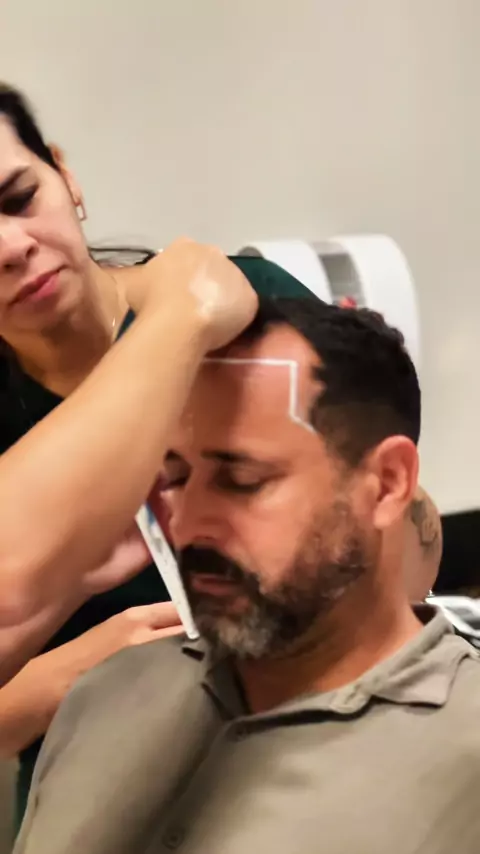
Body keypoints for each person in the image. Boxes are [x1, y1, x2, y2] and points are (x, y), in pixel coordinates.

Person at [15, 297, 480, 854]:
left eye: (242, 481)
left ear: (385, 484)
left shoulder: (463, 754)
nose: (187, 522)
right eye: (175, 478)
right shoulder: (105, 693)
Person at [0, 82, 258, 824]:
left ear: (65, 175)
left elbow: (403, 541)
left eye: (20, 198)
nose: (12, 248)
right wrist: (51, 684)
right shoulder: (198, 302)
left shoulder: (251, 311)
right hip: (102, 794)